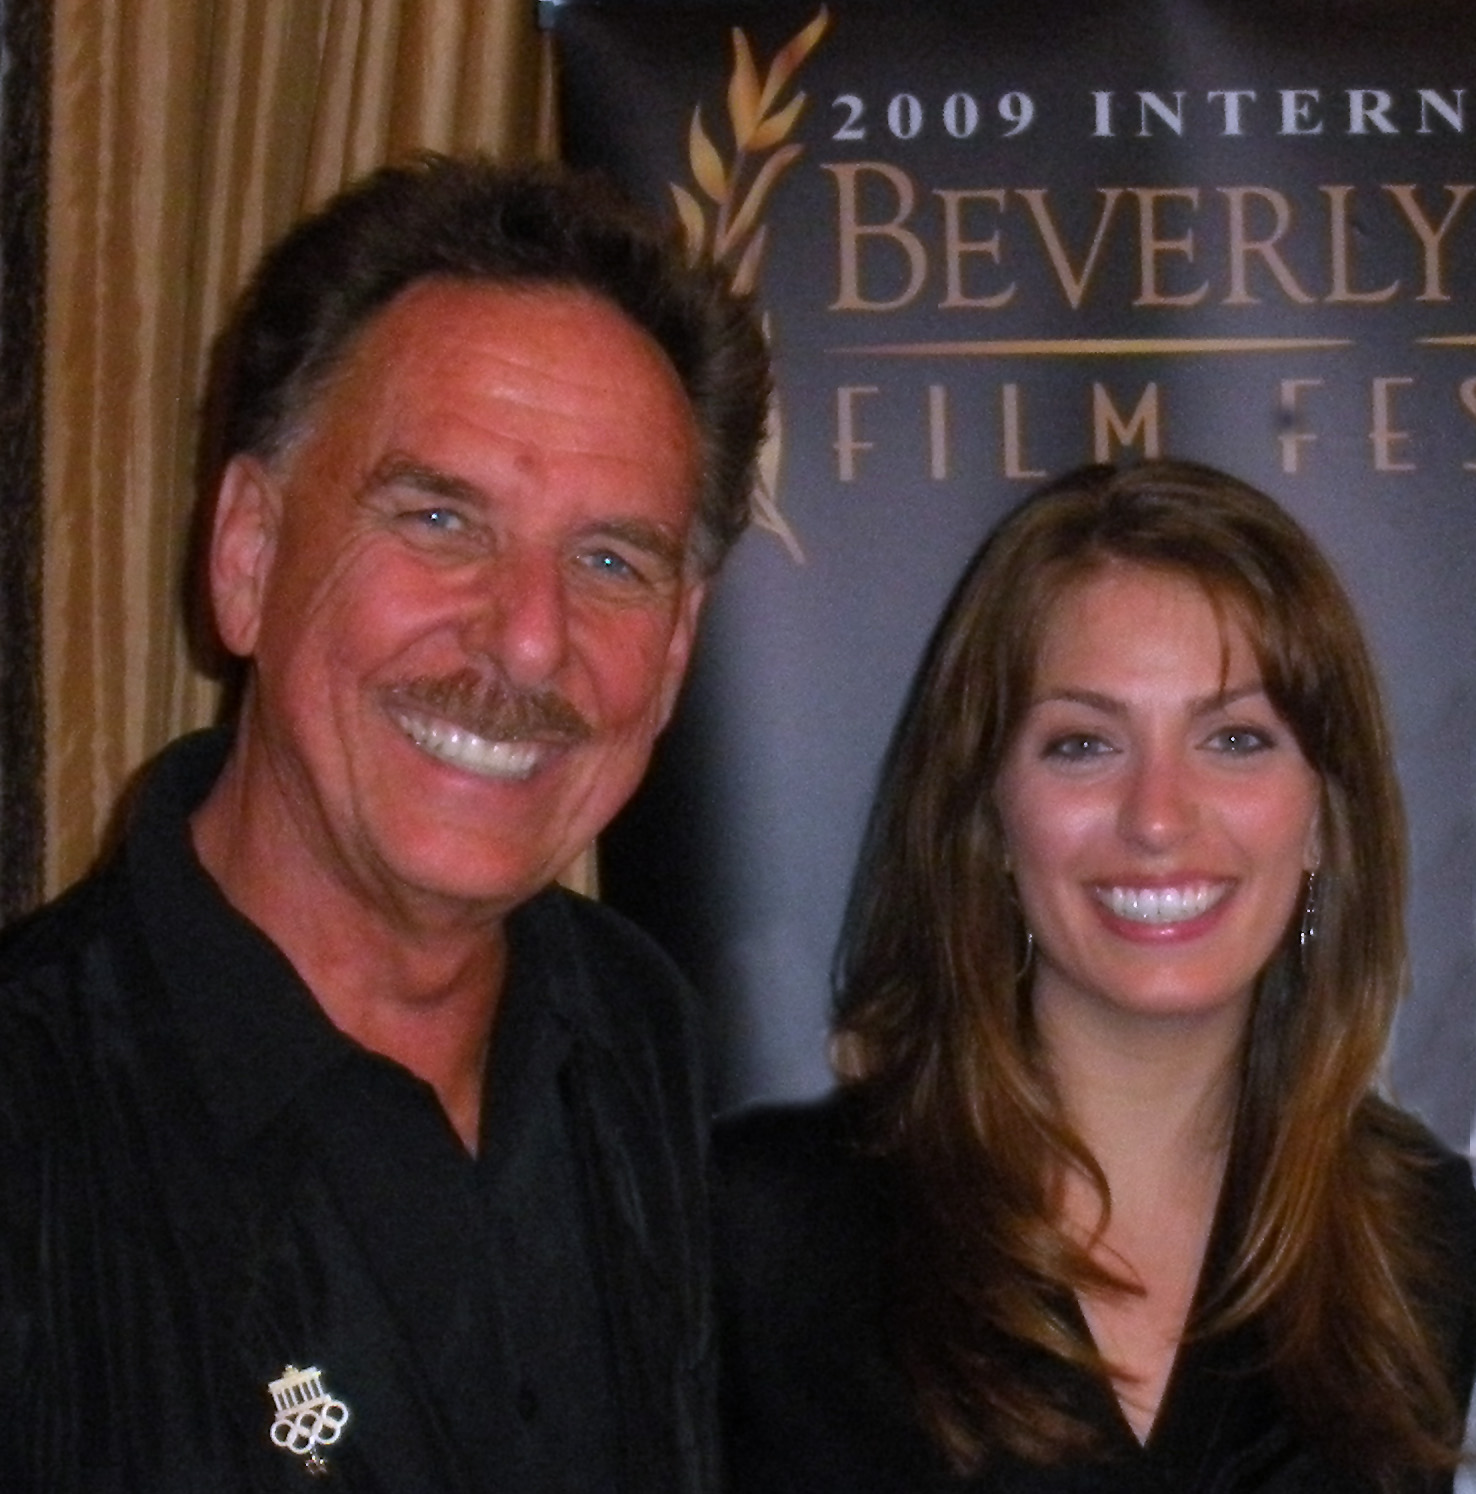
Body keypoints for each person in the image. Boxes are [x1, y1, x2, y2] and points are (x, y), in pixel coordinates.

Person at [0, 154, 769, 1491]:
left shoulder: (631, 1030)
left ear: (681, 642)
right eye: (439, 517)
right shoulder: (34, 1123)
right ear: (246, 555)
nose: (529, 642)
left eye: (609, 561)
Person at [715, 459, 1476, 1492]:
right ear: (986, 816)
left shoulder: (1421, 1244)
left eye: (1237, 738)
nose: (1158, 815)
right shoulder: (765, 1235)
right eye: (1082, 745)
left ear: (1324, 822)